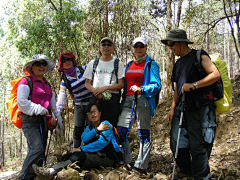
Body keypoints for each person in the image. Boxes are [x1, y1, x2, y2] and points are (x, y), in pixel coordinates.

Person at [161, 29, 221, 179]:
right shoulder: (178, 63)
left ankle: (201, 176)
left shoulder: (199, 55)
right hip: (182, 109)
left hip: (200, 108)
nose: (170, 47)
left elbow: (215, 74)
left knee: (198, 146)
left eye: (172, 44)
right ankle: (187, 170)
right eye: (168, 45)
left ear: (182, 42)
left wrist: (194, 84)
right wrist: (172, 108)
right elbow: (177, 88)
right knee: (176, 143)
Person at [32, 103, 122, 180]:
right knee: (69, 154)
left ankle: (50, 172)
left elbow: (100, 144)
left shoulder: (106, 125)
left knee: (79, 155)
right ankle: (51, 171)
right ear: (88, 116)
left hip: (108, 158)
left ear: (100, 113)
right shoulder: (90, 127)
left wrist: (81, 149)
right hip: (96, 155)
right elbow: (84, 138)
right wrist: (96, 130)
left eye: (94, 111)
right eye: (90, 113)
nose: (93, 114)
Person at [116, 37, 161, 173]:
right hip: (128, 100)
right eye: (136, 46)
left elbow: (157, 85)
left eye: (141, 46)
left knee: (143, 132)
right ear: (133, 49)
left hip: (143, 99)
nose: (139, 49)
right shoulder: (129, 64)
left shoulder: (151, 64)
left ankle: (141, 166)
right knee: (121, 130)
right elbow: (124, 85)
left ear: (146, 48)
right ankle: (126, 161)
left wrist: (142, 89)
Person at [17, 54, 63, 180]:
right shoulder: (26, 81)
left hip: (44, 120)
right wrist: (38, 109)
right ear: (32, 67)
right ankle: (23, 177)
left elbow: (52, 106)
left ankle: (35, 176)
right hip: (30, 120)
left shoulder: (47, 85)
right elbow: (22, 102)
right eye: (38, 64)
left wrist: (58, 120)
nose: (41, 66)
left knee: (40, 152)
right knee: (37, 149)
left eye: (43, 64)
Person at [83, 37, 125, 127]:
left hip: (112, 100)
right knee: (94, 125)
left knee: (110, 125)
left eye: (109, 45)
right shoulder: (93, 63)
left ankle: (111, 141)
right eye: (103, 44)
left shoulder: (118, 63)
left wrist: (105, 88)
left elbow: (121, 84)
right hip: (96, 98)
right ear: (100, 47)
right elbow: (87, 83)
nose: (106, 46)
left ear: (113, 48)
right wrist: (96, 91)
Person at [56, 52, 93, 148]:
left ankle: (89, 150)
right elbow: (62, 96)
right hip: (79, 106)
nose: (67, 62)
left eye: (69, 59)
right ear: (61, 64)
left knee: (90, 128)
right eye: (64, 61)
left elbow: (97, 77)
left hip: (92, 104)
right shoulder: (65, 80)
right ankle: (75, 151)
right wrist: (57, 112)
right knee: (78, 129)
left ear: (73, 60)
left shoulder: (83, 69)